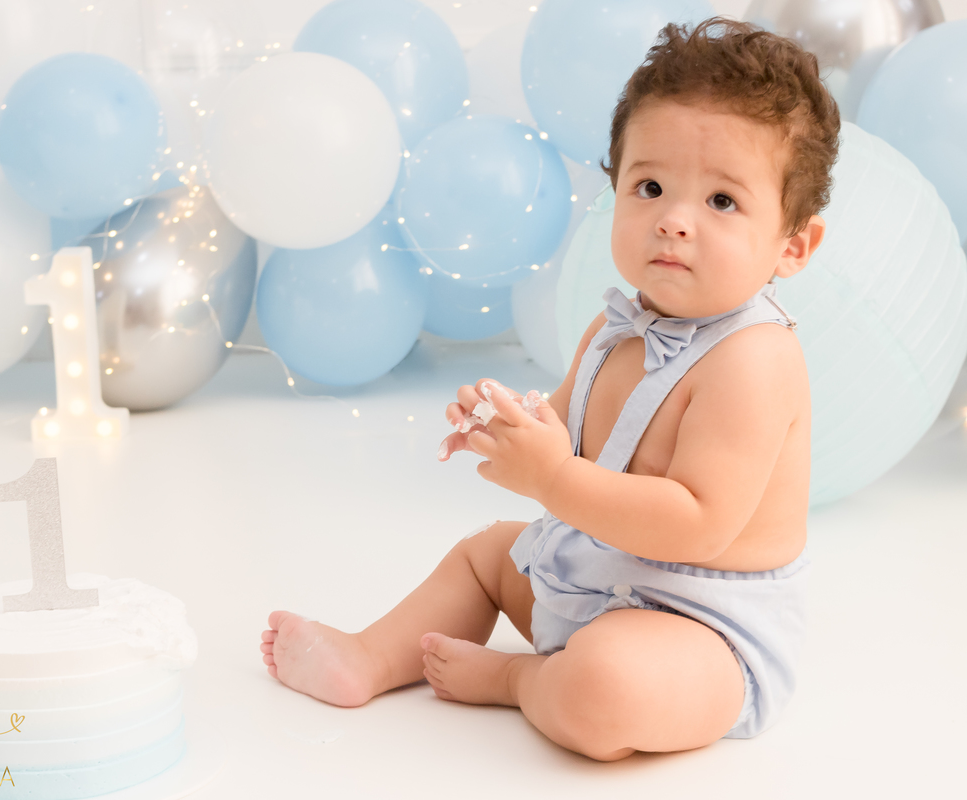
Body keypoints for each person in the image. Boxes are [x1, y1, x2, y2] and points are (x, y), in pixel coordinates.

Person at [260, 16, 840, 761]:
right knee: (483, 555)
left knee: (606, 689)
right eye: (651, 186)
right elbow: (567, 421)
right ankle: (368, 658)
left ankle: (521, 681)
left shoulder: (754, 360)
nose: (673, 222)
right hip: (593, 580)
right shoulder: (619, 323)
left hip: (702, 634)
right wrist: (507, 421)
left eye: (721, 202)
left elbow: (697, 522)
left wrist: (554, 477)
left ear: (793, 245)